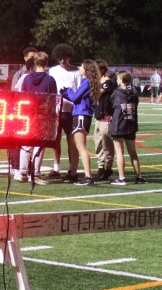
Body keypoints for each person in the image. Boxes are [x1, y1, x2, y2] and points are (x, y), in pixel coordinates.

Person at [13, 51, 56, 183]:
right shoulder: (50, 80)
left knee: (26, 144)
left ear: (35, 63)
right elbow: (54, 100)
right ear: (46, 63)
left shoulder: (26, 78)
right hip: (43, 115)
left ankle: (22, 172)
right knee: (39, 145)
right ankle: (35, 173)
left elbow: (22, 96)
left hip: (28, 114)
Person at [61, 59, 102, 186]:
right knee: (76, 146)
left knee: (81, 147)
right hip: (82, 114)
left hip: (81, 115)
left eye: (82, 66)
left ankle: (88, 177)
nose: (80, 68)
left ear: (87, 69)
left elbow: (74, 97)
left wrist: (66, 91)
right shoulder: (89, 82)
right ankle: (74, 173)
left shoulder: (86, 82)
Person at [48, 43, 80, 180]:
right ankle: (56, 168)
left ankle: (72, 168)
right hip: (56, 110)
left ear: (69, 57)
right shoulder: (53, 71)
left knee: (71, 141)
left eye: (65, 58)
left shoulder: (76, 72)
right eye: (60, 58)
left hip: (71, 111)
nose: (63, 60)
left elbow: (79, 90)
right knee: (56, 139)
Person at [108, 71, 145, 185]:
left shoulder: (116, 93)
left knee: (119, 152)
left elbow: (111, 106)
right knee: (133, 152)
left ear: (120, 79)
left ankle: (121, 177)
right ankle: (139, 177)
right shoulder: (134, 92)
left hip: (119, 124)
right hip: (131, 124)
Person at [92, 60, 115, 181]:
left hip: (106, 116)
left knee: (107, 144)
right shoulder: (98, 81)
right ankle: (100, 167)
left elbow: (97, 94)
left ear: (101, 70)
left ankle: (108, 167)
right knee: (98, 144)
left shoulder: (107, 82)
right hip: (98, 116)